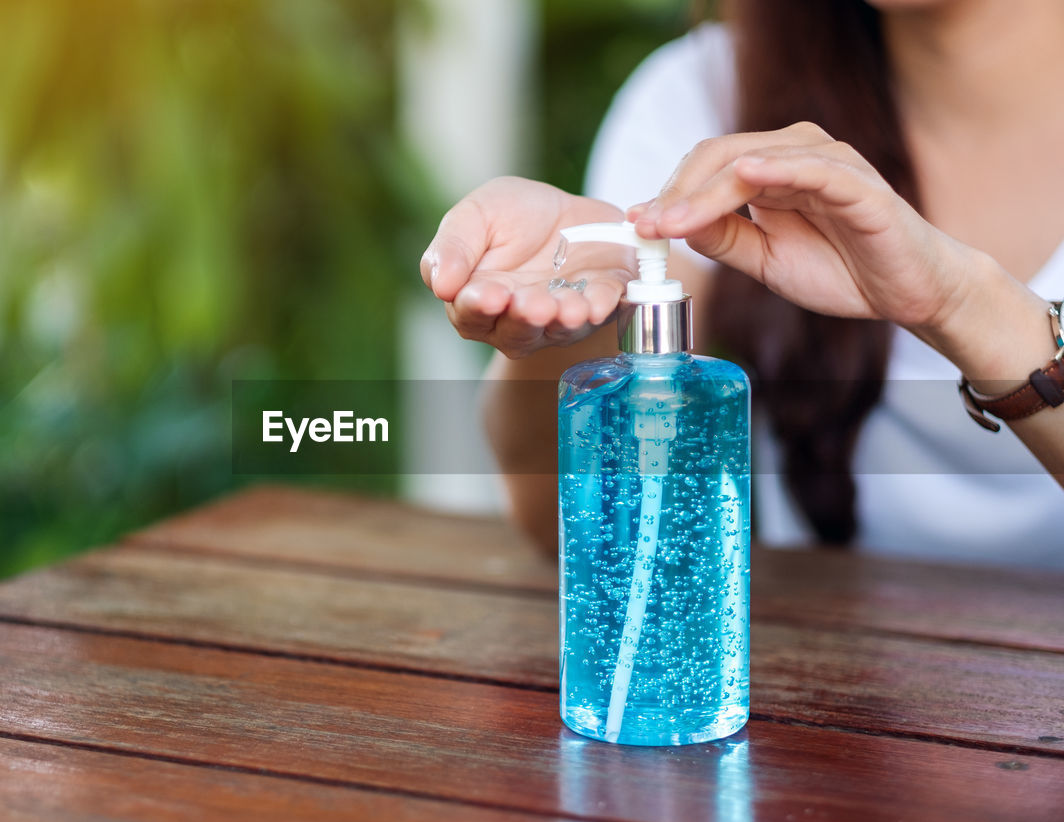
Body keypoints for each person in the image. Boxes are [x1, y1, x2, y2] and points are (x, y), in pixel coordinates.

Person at [420, 0, 1064, 569]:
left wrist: (962, 306)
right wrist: (582, 323)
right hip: (828, 683)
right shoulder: (703, 98)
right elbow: (557, 524)